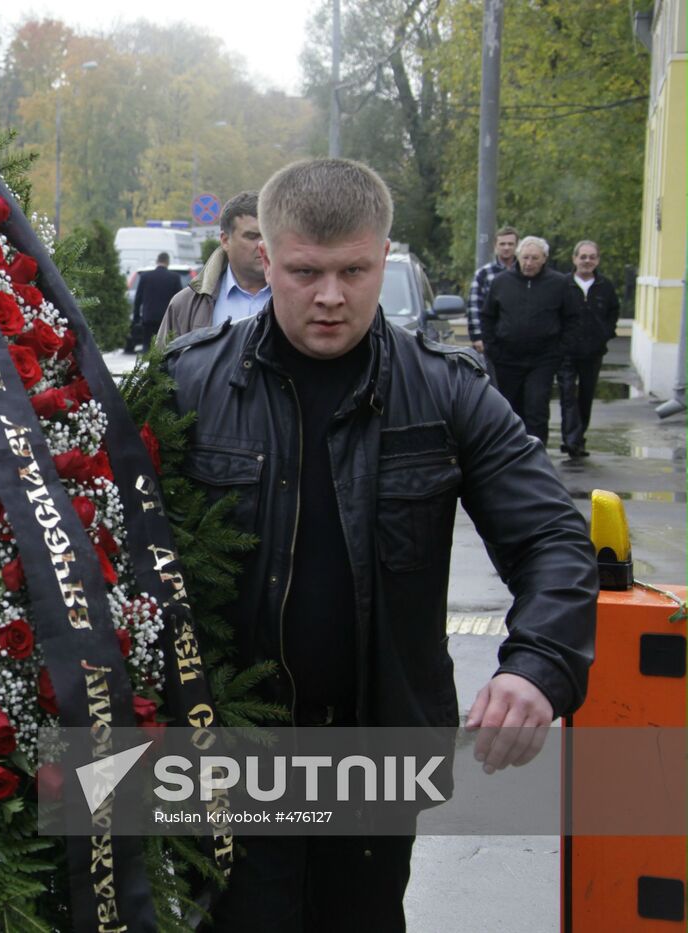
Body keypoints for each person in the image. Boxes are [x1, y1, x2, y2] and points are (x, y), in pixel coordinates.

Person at [166, 159, 596, 932]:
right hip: (225, 750)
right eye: (306, 271)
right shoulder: (186, 389)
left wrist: (540, 665)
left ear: (384, 256)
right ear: (265, 259)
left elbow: (554, 539)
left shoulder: (448, 392)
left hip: (376, 749)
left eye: (354, 271)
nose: (331, 296)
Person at [480, 236, 575, 445]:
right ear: (518, 257)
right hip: (506, 358)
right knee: (507, 408)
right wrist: (493, 348)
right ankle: (507, 452)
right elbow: (487, 317)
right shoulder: (501, 282)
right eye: (525, 258)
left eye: (534, 258)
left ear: (544, 259)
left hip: (543, 360)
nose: (529, 263)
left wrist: (560, 350)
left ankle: (536, 454)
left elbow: (571, 319)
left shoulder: (559, 283)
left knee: (537, 408)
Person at [156, 191, 269, 344]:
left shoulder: (301, 296)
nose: (263, 245)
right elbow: (162, 365)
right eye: (252, 236)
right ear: (225, 240)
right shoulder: (186, 305)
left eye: (268, 236)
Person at [557, 240, 620, 458]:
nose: (587, 261)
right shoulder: (562, 285)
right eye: (583, 256)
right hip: (566, 352)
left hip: (593, 352)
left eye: (591, 257)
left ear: (597, 260)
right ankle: (571, 440)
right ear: (574, 259)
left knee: (586, 396)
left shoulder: (605, 286)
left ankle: (579, 437)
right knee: (567, 394)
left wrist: (606, 333)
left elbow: (613, 312)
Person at [467, 224, 518, 355]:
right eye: (502, 244)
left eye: (510, 244)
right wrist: (477, 336)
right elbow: (474, 306)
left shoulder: (524, 272)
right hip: (492, 338)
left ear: (517, 246)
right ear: (495, 246)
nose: (506, 248)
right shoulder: (483, 274)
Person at [128, 252, 179, 352]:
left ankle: (147, 365)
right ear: (168, 262)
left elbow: (138, 299)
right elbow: (179, 299)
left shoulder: (145, 277)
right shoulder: (174, 277)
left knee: (147, 345)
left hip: (148, 319)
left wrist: (136, 317)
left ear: (157, 261)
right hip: (166, 319)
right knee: (165, 347)